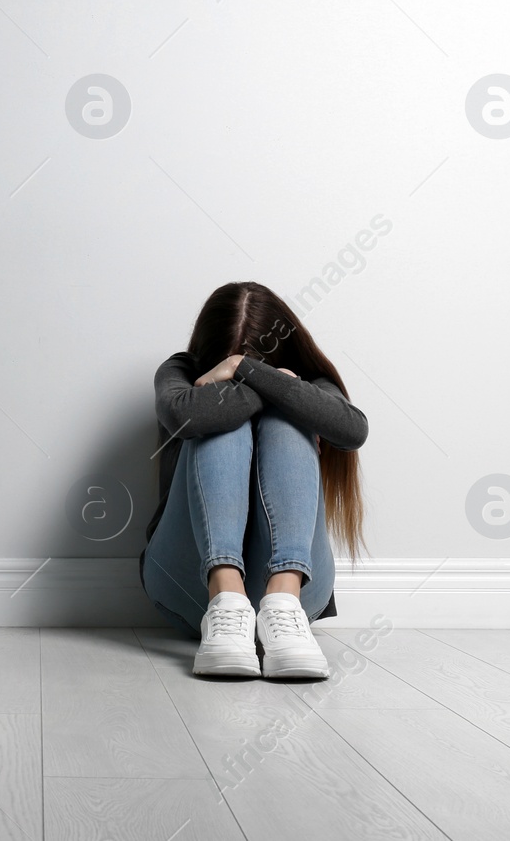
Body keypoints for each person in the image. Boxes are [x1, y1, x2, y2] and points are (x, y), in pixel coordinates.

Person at [139, 281, 369, 678]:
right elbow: (183, 415)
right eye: (230, 362)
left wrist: (243, 372)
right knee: (217, 418)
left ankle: (282, 603)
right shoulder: (181, 370)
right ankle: (225, 599)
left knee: (284, 420)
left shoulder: (315, 383)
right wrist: (275, 386)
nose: (242, 370)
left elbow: (353, 430)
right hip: (188, 586)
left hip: (297, 597)